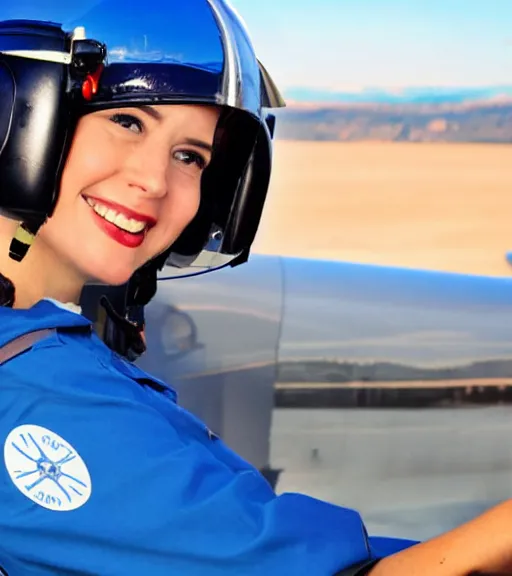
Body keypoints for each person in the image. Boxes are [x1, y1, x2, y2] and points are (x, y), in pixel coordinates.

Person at [0, 2, 512, 575]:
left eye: (190, 157)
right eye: (128, 121)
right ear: (14, 113)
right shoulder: (41, 394)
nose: (154, 182)